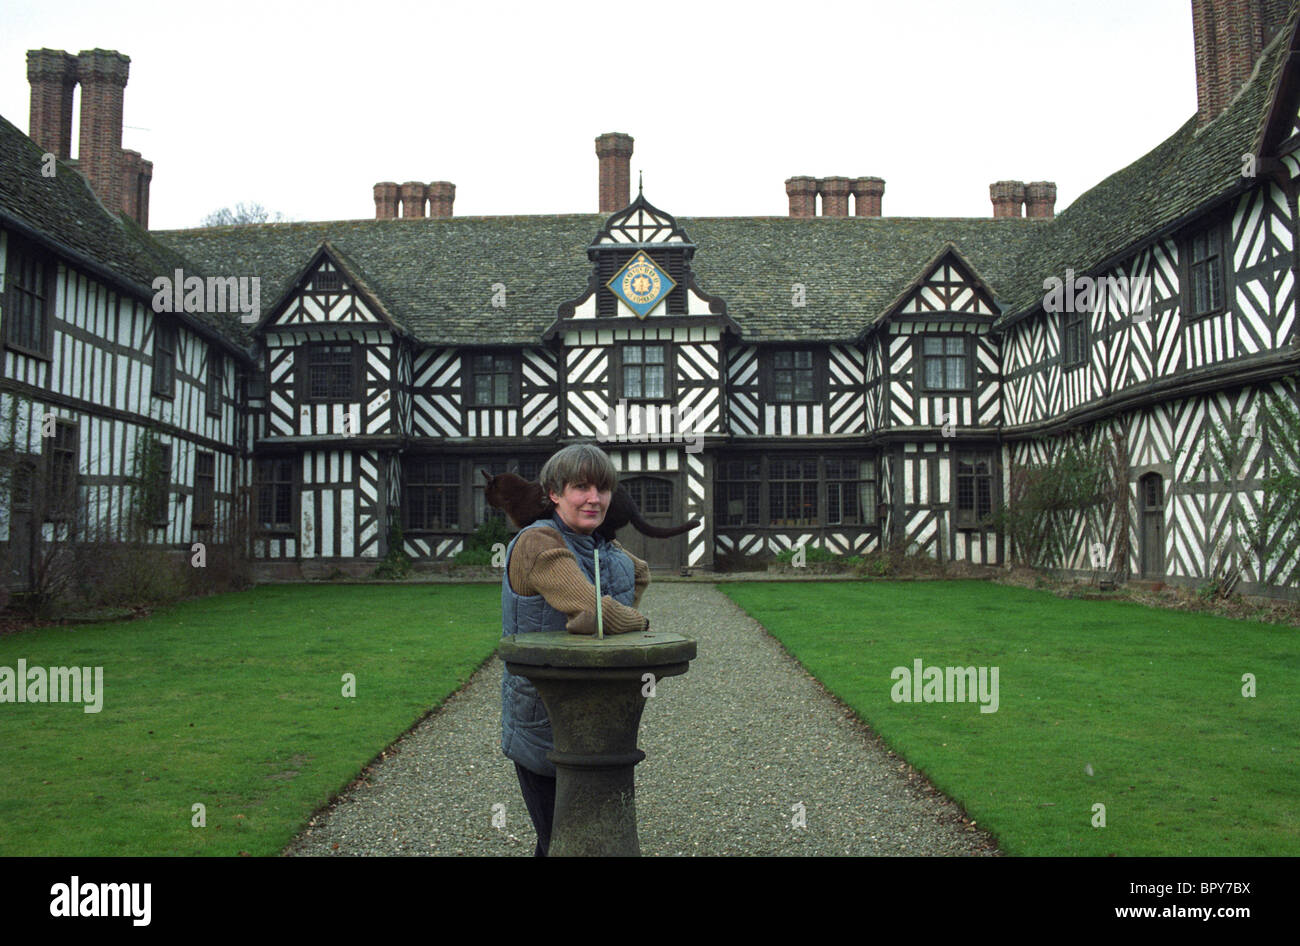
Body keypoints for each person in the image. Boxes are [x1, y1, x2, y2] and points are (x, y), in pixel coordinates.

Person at [499, 443, 651, 856]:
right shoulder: (537, 542)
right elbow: (594, 612)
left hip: (599, 718)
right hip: (544, 720)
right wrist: (628, 621)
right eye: (580, 487)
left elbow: (638, 575)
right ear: (553, 493)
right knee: (563, 841)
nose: (594, 498)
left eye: (602, 489)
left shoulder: (606, 548)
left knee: (577, 840)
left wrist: (599, 619)